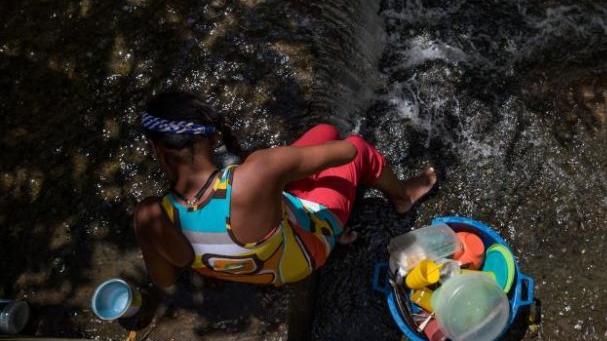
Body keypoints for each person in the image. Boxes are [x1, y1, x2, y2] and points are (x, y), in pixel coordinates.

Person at [134, 91, 436, 290]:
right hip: (302, 254)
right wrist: (284, 164)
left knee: (324, 132)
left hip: (253, 260)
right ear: (211, 139)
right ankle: (402, 198)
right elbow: (346, 152)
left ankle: (327, 208)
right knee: (356, 145)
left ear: (156, 149)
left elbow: (165, 279)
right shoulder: (257, 172)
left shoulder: (151, 215)